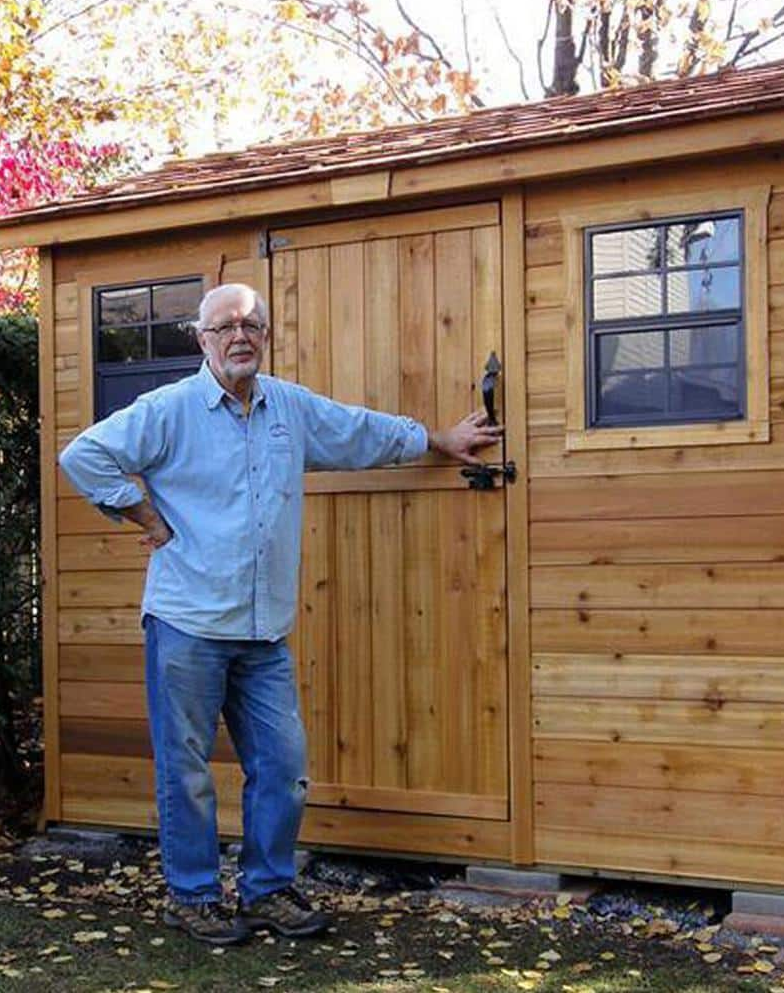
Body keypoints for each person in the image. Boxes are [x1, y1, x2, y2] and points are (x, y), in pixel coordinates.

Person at [59, 282, 501, 946]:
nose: (242, 336)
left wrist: (435, 439)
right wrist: (141, 513)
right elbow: (82, 456)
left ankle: (267, 890)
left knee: (284, 768)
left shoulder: (287, 408)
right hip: (187, 623)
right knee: (186, 770)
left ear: (265, 337)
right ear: (202, 340)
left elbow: (359, 432)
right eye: (227, 326)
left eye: (254, 326)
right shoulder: (170, 409)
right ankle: (194, 897)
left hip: (264, 629)